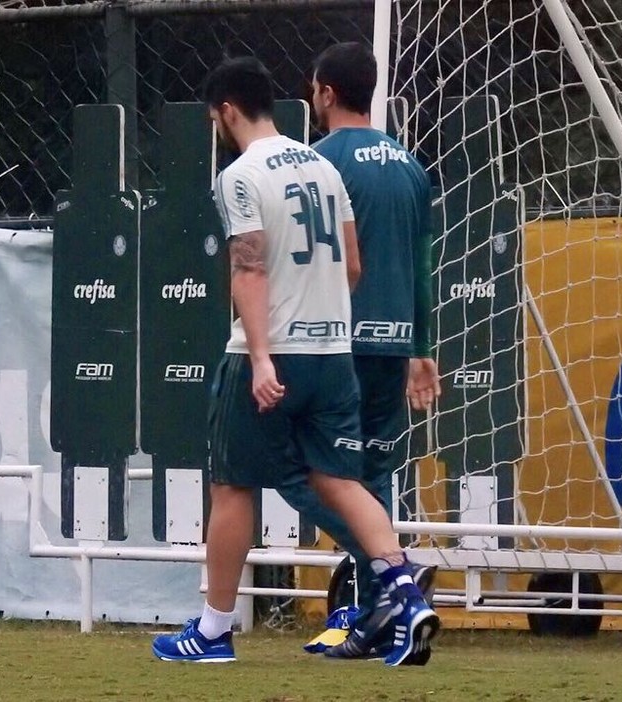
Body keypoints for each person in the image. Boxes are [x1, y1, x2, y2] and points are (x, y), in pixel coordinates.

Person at [150, 56, 438, 667]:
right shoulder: (321, 165)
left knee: (232, 486)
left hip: (274, 351)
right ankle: (402, 589)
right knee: (340, 478)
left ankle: (214, 630)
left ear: (227, 111)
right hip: (334, 355)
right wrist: (324, 315)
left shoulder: (240, 175)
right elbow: (354, 264)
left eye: (215, 119)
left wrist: (259, 357)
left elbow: (248, 266)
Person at [280, 42, 441, 662]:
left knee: (293, 467)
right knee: (372, 478)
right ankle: (388, 621)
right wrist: (420, 349)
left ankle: (393, 577)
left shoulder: (316, 164)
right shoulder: (409, 165)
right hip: (394, 344)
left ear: (323, 91)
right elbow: (422, 265)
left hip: (333, 344)